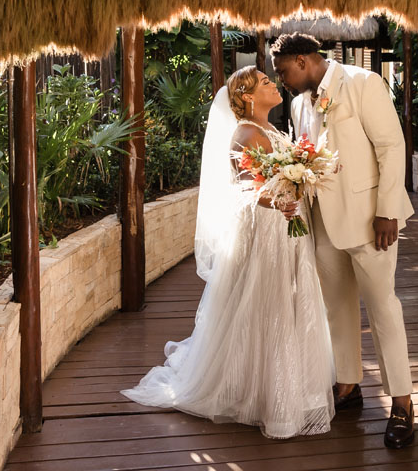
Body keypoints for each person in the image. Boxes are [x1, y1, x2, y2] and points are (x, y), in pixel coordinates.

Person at [121, 66, 335, 439]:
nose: (273, 85)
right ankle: (261, 393)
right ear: (248, 97)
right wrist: (283, 198)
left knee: (288, 302)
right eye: (265, 83)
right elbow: (248, 188)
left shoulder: (270, 129)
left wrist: (300, 182)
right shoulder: (246, 132)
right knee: (267, 306)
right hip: (267, 230)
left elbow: (279, 177)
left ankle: (291, 384)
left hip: (286, 227)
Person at [272, 32, 417, 449]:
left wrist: (388, 210)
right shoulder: (299, 105)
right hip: (323, 226)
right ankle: (348, 385)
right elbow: (305, 160)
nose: (281, 80)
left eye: (283, 71)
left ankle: (403, 403)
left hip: (371, 222)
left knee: (384, 310)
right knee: (336, 309)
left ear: (302, 60)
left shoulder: (362, 83)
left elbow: (391, 147)